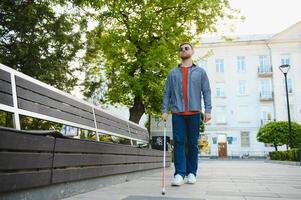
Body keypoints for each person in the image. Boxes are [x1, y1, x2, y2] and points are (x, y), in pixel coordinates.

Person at [162, 42, 212, 186]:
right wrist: (165, 110)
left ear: (192, 51)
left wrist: (208, 110)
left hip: (194, 112)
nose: (183, 50)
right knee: (178, 142)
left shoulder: (200, 72)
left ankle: (191, 173)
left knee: (192, 144)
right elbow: (167, 93)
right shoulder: (173, 73)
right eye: (181, 49)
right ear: (179, 53)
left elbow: (206, 91)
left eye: (186, 48)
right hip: (178, 112)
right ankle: (179, 174)